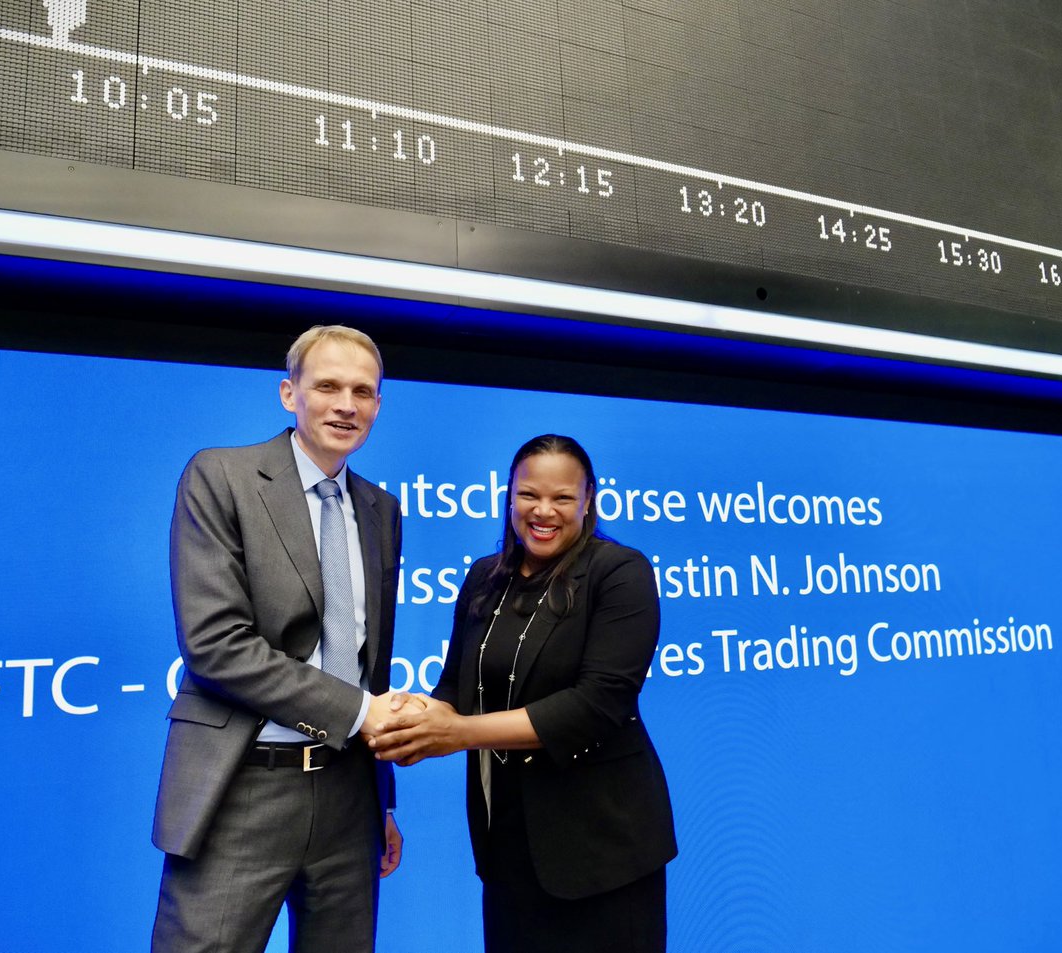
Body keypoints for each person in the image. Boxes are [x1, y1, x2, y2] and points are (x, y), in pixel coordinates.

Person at [151, 325, 410, 953]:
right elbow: (216, 645)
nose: (346, 405)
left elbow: (367, 662)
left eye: (363, 391)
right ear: (289, 393)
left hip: (350, 796)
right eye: (327, 386)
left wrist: (382, 799)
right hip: (242, 789)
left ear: (378, 405)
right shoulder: (221, 476)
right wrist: (361, 714)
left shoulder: (382, 510)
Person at [369, 434, 677, 953]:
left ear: (588, 500)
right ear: (509, 496)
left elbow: (596, 705)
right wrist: (409, 718)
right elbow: (454, 688)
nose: (543, 511)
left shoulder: (619, 572)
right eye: (528, 495)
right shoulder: (485, 577)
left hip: (603, 846)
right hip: (508, 841)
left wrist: (459, 734)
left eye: (562, 498)